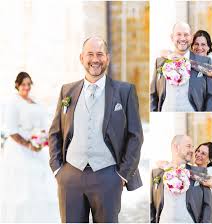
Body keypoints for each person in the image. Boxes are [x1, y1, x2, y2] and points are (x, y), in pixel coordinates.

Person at [49, 36, 143, 223]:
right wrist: (57, 169)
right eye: (90, 54)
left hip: (108, 176)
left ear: (107, 58)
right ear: (81, 58)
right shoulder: (67, 91)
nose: (95, 59)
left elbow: (135, 136)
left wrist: (122, 175)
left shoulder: (124, 91)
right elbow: (55, 132)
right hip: (70, 176)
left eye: (100, 54)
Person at [0, 72, 59, 222]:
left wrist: (43, 138)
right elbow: (11, 130)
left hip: (37, 149)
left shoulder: (35, 102)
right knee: (24, 188)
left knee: (42, 183)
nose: (26, 87)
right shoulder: (13, 102)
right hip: (19, 151)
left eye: (28, 84)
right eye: (23, 84)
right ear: (17, 85)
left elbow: (43, 124)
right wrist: (28, 144)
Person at [151, 22, 212, 112]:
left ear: (191, 38)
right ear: (172, 37)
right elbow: (153, 95)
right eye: (178, 34)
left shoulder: (204, 62)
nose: (182, 38)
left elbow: (211, 97)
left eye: (186, 34)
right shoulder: (160, 62)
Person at [151, 135, 212, 223]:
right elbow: (152, 207)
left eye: (193, 147)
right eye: (188, 146)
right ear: (176, 147)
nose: (193, 150)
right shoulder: (156, 173)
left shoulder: (201, 174)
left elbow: (208, 208)